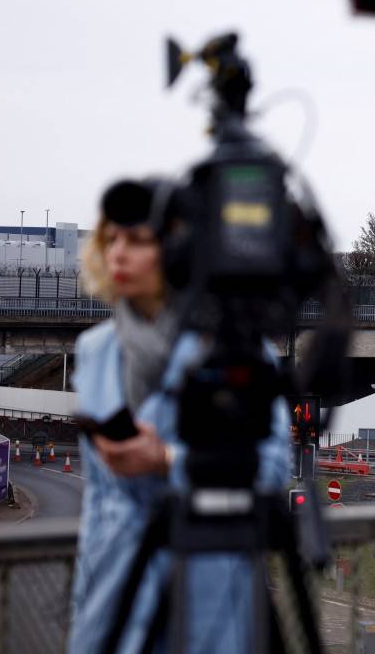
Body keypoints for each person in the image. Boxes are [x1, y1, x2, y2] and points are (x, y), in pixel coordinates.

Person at [68, 179, 292, 654]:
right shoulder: (95, 351)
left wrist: (168, 458)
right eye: (112, 240)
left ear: (177, 249)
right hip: (113, 592)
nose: (119, 254)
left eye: (138, 240)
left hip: (208, 589)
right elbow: (97, 504)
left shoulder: (238, 351)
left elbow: (273, 469)